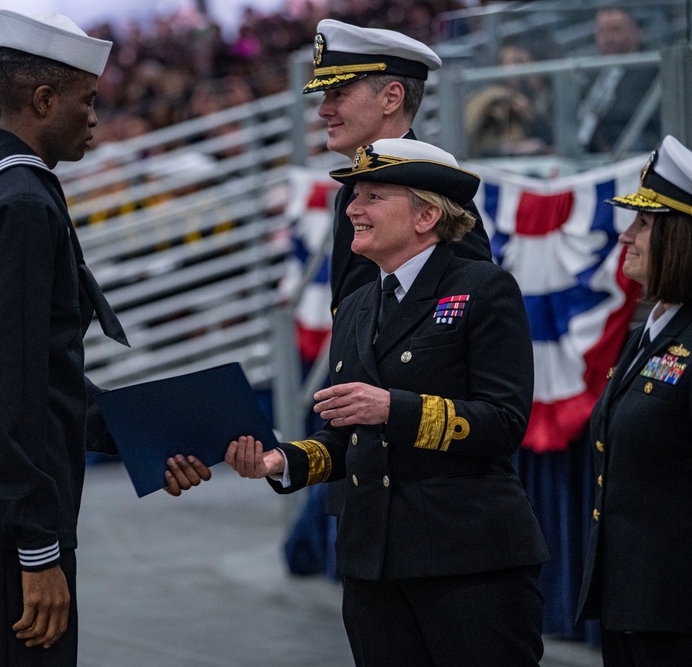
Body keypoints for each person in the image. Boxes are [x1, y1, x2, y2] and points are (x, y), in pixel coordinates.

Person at [0, 11, 206, 666]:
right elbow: (3, 386)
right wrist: (37, 548)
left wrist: (144, 435)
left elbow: (26, 371)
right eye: (88, 99)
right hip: (6, 528)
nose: (96, 116)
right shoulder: (20, 203)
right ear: (44, 99)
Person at [226, 139, 549, 666]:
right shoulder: (355, 306)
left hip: (467, 562)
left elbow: (505, 421)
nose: (352, 208)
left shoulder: (484, 288)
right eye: (355, 195)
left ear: (426, 215)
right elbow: (344, 433)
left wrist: (393, 408)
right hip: (373, 563)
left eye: (373, 196)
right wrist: (281, 461)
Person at [576, 135, 692, 666]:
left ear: (680, 238)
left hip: (676, 612)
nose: (626, 236)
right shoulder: (650, 329)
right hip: (631, 603)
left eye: (643, 224)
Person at [304, 19, 492, 313]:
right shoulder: (348, 193)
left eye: (338, 94)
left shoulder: (435, 190)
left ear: (391, 98)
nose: (323, 110)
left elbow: (476, 308)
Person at [577, 6, 660, 154]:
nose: (608, 38)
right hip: (581, 149)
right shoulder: (590, 73)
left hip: (626, 151)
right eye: (602, 31)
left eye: (615, 30)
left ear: (635, 32)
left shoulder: (651, 70)